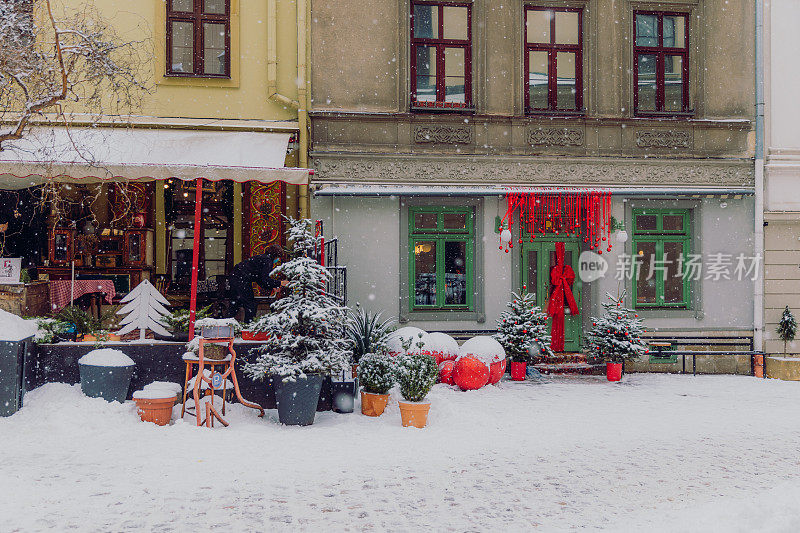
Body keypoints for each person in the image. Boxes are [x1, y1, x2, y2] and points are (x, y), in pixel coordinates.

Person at [228, 244, 287, 323]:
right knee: (250, 305)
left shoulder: (262, 258)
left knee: (235, 303)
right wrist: (279, 283)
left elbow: (259, 278)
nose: (278, 260)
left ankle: (224, 325)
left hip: (235, 277)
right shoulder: (267, 261)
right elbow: (264, 279)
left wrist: (272, 286)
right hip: (242, 280)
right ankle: (248, 327)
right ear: (276, 255)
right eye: (279, 257)